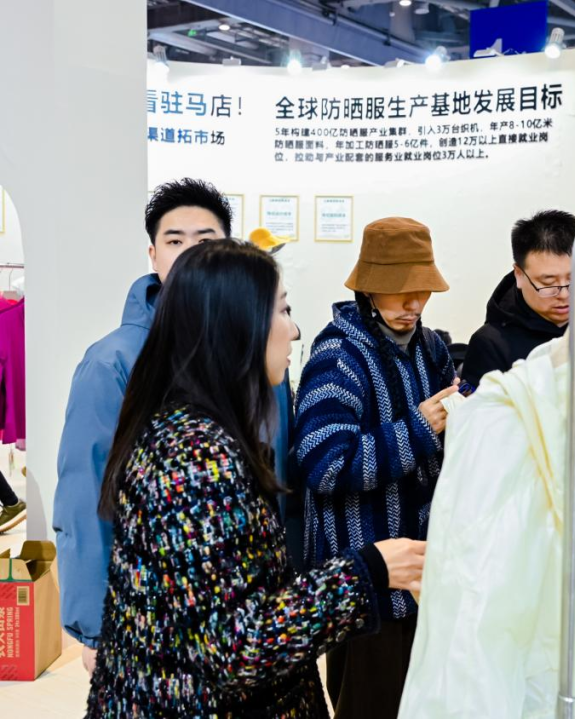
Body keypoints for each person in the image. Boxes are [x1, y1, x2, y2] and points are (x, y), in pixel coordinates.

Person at [84, 240, 425, 717]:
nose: (295, 330)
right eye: (283, 310)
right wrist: (368, 570)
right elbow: (236, 646)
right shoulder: (194, 459)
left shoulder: (203, 433)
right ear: (238, 327)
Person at [54, 178, 245, 676]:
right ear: (153, 255)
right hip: (148, 611)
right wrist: (96, 626)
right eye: (174, 240)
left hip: (243, 612)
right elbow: (85, 492)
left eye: (205, 240)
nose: (189, 254)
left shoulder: (255, 349)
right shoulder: (113, 362)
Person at [293, 217, 457, 719]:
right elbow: (322, 462)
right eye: (400, 290)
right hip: (364, 588)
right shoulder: (337, 355)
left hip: (426, 579)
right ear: (368, 287)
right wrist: (419, 429)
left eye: (422, 290)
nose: (414, 303)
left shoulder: (431, 348)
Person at [461, 210, 575, 388]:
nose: (564, 295)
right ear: (519, 275)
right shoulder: (491, 344)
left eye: (574, 278)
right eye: (548, 282)